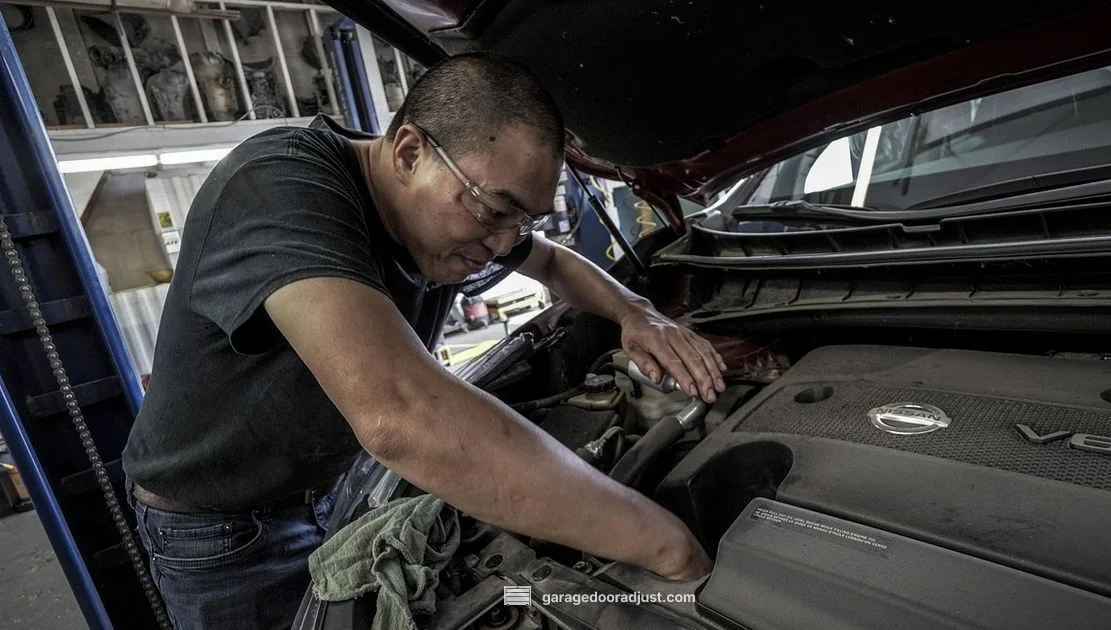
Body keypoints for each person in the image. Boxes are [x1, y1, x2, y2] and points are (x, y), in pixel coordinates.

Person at [122, 53, 725, 629]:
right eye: (495, 212)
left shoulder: (451, 204)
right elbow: (399, 416)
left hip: (340, 489)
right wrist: (666, 546)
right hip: (225, 532)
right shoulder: (278, 189)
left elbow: (551, 262)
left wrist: (637, 313)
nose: (502, 242)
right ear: (410, 152)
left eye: (524, 220)